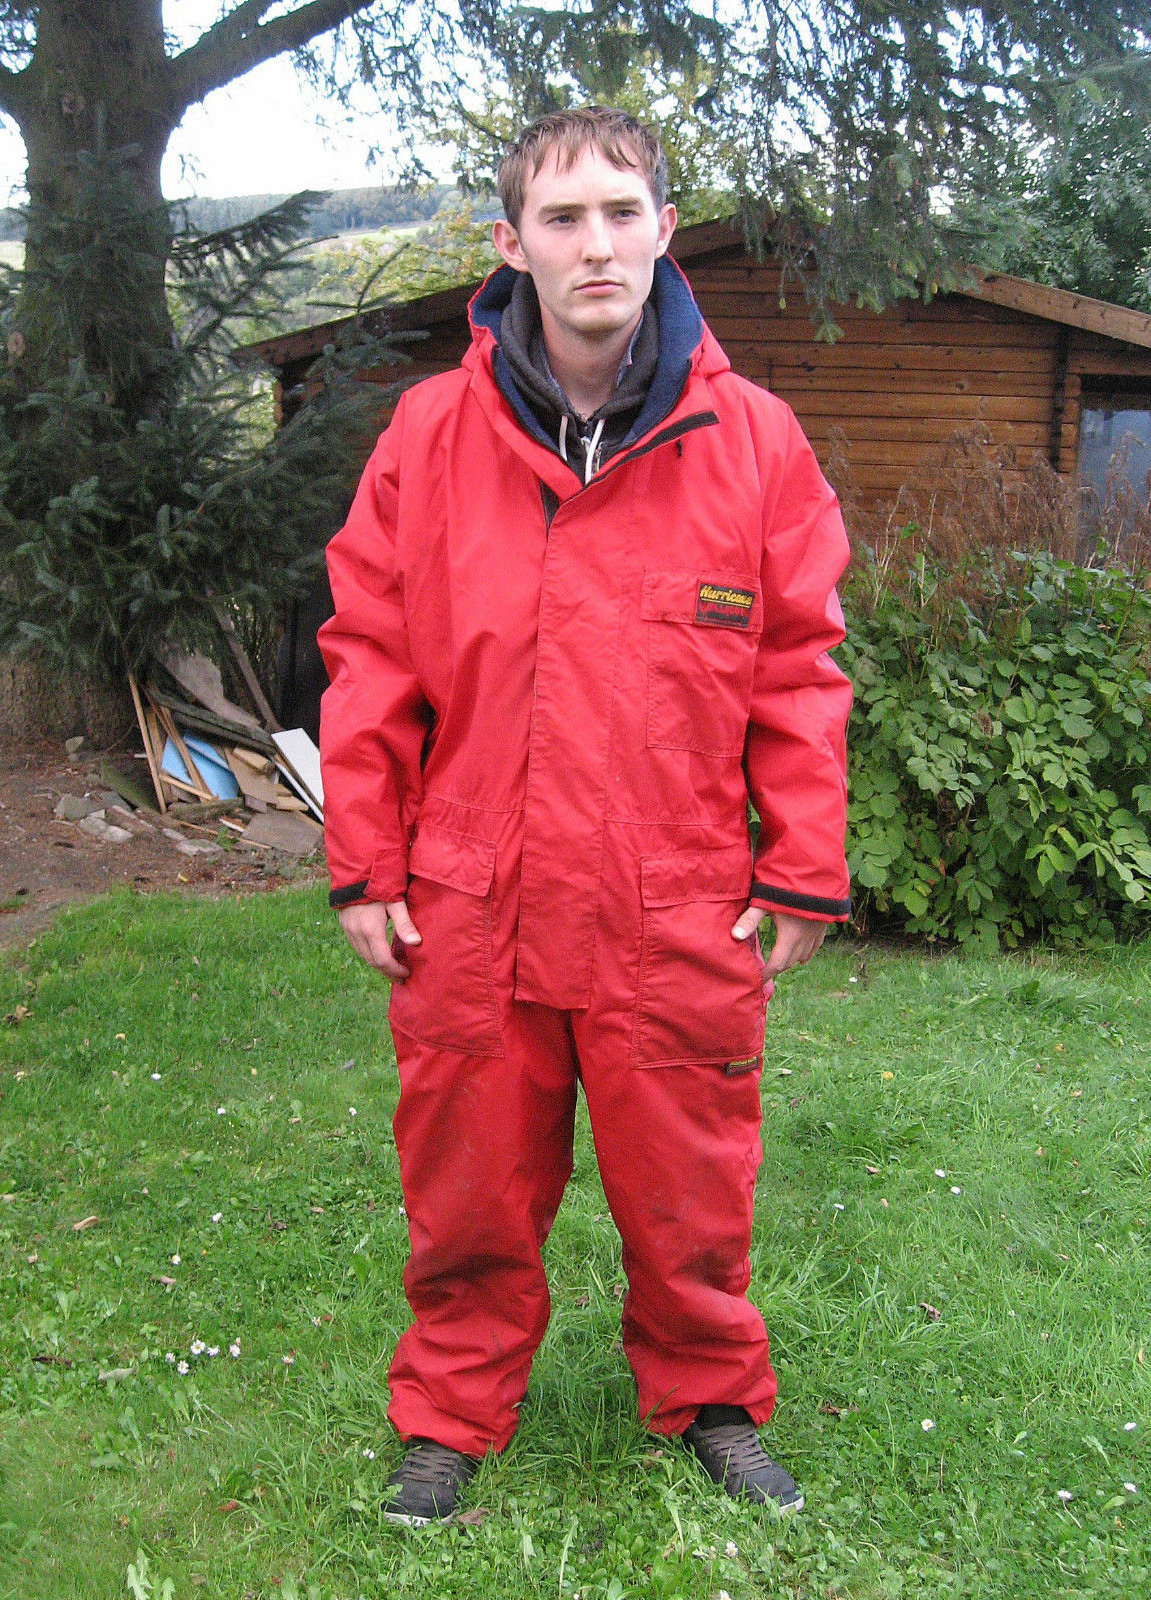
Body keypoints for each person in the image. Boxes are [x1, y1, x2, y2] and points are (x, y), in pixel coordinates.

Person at [318, 106, 852, 1526]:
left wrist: (801, 863)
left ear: (665, 231)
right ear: (512, 245)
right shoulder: (432, 435)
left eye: (622, 212)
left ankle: (712, 1395)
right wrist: (367, 856)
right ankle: (450, 1411)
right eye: (562, 218)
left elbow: (802, 666)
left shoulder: (752, 440)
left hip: (672, 894)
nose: (595, 243)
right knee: (468, 1186)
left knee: (692, 1182)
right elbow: (369, 652)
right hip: (473, 888)